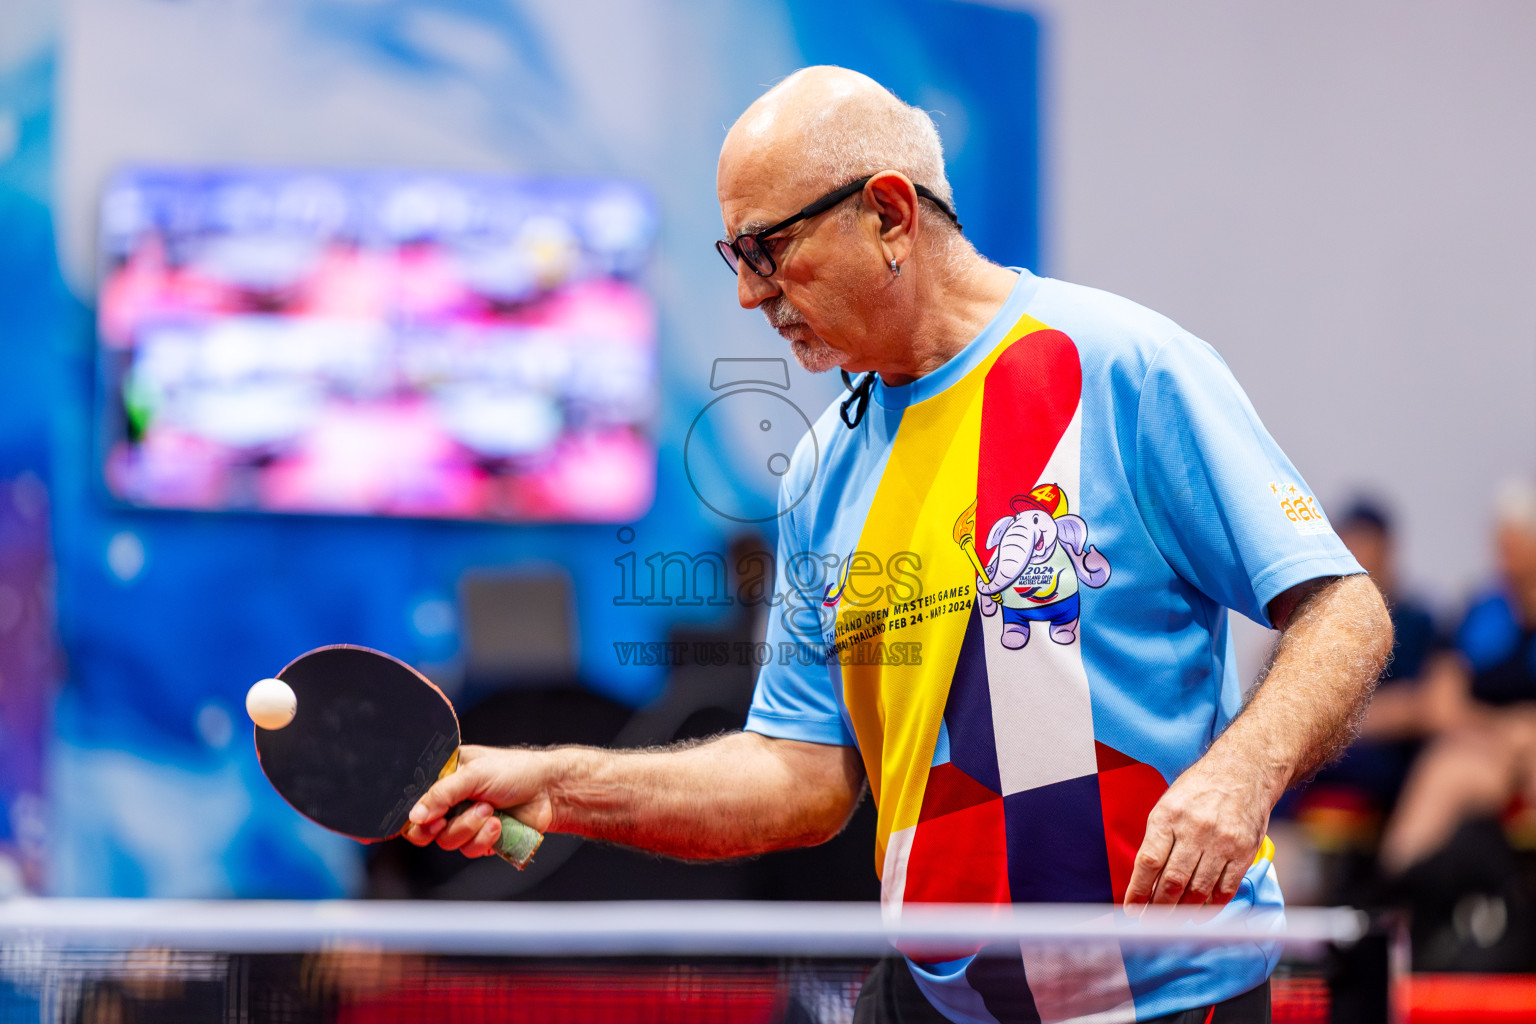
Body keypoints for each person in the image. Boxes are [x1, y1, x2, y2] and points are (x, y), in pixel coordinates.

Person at [405, 67, 1392, 1023]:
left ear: (888, 213)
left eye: (767, 248)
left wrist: (1242, 770)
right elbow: (797, 779)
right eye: (733, 257)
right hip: (930, 1000)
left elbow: (1344, 608)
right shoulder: (821, 472)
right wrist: (559, 784)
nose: (751, 295)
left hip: (1166, 1000)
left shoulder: (1124, 367)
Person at [1377, 480, 1536, 876]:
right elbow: (1441, 706)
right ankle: (1397, 904)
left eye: (1518, 537)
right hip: (1487, 751)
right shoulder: (1483, 613)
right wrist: (1505, 727)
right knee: (1443, 772)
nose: (1507, 550)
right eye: (1503, 538)